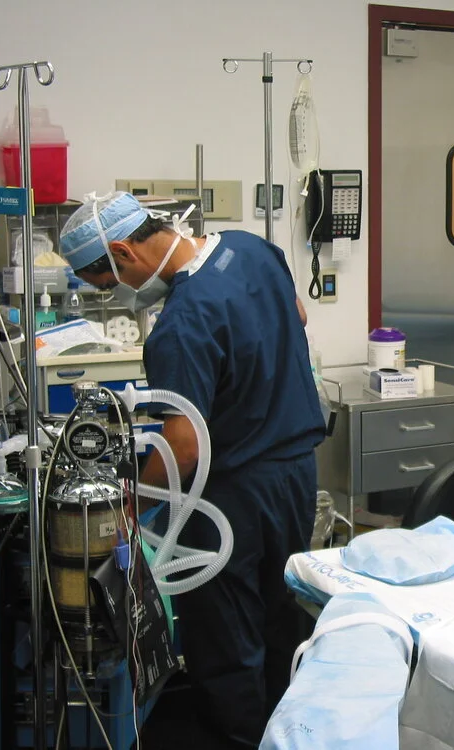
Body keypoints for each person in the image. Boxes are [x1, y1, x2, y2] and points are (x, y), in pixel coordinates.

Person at [59, 192, 326, 747]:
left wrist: (130, 506)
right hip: (296, 473)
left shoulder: (181, 324)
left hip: (229, 495)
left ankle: (242, 740)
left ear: (121, 251)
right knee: (282, 620)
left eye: (110, 283)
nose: (121, 294)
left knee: (226, 643)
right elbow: (296, 314)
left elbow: (183, 447)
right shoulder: (252, 249)